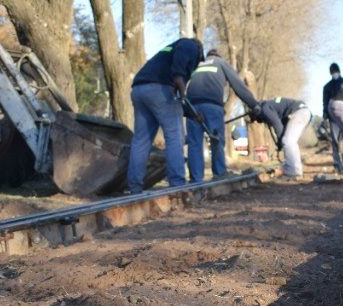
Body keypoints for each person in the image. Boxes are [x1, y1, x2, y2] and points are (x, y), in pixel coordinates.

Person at [126, 37, 203, 193]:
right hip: (159, 88)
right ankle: (177, 185)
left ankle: (134, 187)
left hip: (139, 90)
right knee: (175, 136)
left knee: (141, 140)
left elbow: (176, 102)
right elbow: (178, 78)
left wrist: (192, 114)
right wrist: (179, 78)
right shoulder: (190, 44)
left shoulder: (167, 53)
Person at [185, 48, 258, 182]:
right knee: (216, 139)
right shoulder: (221, 63)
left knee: (194, 143)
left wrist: (185, 108)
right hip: (212, 106)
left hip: (191, 107)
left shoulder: (197, 65)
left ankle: (195, 180)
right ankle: (219, 173)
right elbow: (238, 85)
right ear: (218, 56)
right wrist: (254, 105)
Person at [251, 97, 311, 179]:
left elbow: (277, 124)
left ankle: (291, 172)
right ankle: (296, 171)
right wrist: (280, 144)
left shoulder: (265, 108)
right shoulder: (272, 106)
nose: (262, 121)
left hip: (299, 112)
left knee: (288, 141)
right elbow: (281, 127)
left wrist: (280, 142)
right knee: (290, 141)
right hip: (303, 112)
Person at [321, 62, 343, 174]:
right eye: (333, 72)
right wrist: (325, 116)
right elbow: (325, 102)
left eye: (335, 71)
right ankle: (338, 165)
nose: (334, 73)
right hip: (334, 118)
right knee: (336, 141)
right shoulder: (327, 87)